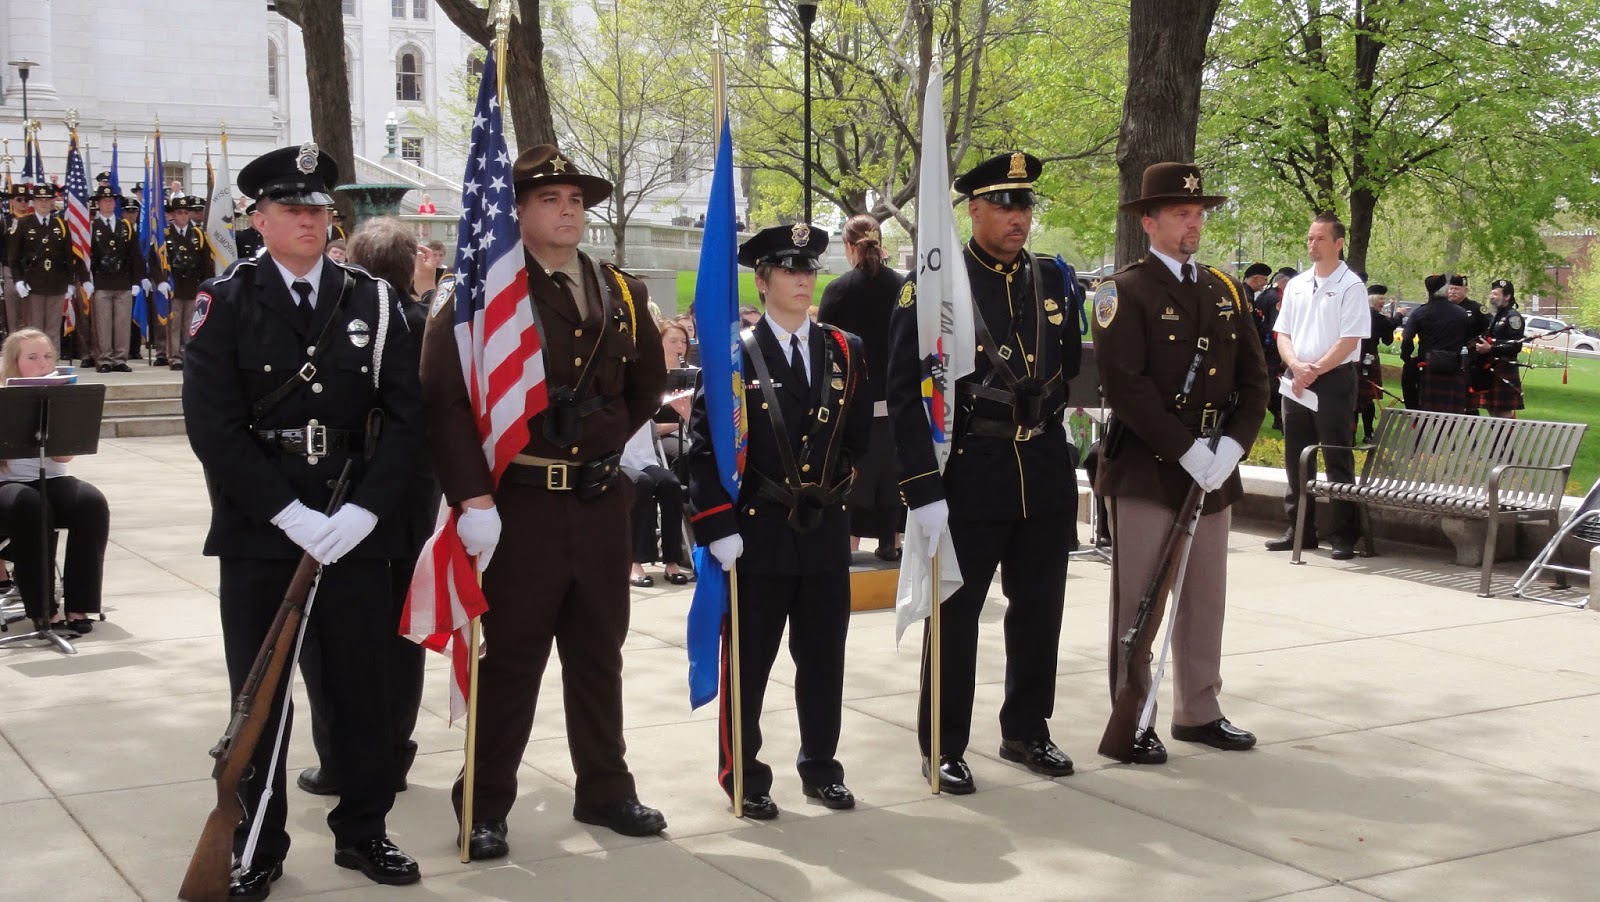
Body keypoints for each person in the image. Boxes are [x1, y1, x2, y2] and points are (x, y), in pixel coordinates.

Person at [182, 143, 424, 899]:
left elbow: (408, 417)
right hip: (262, 530)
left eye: (320, 210)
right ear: (258, 219)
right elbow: (212, 427)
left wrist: (363, 511)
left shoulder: (373, 302)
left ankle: (363, 830)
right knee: (261, 697)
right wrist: (286, 512)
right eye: (292, 209)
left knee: (362, 689)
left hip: (353, 526)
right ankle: (257, 842)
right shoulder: (224, 301)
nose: (310, 222)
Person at [421, 144, 667, 861]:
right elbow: (444, 398)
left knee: (599, 654)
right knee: (511, 662)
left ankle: (605, 787)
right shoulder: (482, 291)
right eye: (551, 200)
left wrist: (604, 434)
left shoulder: (622, 292)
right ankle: (486, 802)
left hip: (596, 504)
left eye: (576, 202)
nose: (568, 212)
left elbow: (646, 385)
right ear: (518, 211)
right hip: (519, 505)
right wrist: (471, 497)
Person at [887, 150, 1082, 793]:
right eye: (1004, 204)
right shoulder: (935, 284)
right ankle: (943, 743)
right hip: (971, 471)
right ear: (973, 209)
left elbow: (1068, 369)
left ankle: (1027, 728)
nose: (1017, 216)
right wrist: (921, 487)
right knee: (957, 616)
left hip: (1043, 468)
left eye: (1024, 204)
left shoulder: (1054, 279)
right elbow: (906, 390)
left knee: (1039, 610)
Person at [687, 223, 873, 818]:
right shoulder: (734, 355)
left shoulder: (846, 350)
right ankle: (743, 772)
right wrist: (719, 526)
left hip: (820, 531)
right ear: (762, 282)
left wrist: (832, 493)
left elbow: (859, 437)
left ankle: (821, 766)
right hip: (756, 533)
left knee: (824, 661)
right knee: (749, 667)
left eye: (808, 269)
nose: (801, 279)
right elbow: (702, 449)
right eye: (788, 270)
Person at [1091, 162, 1269, 764]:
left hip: (1214, 467)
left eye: (1198, 213)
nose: (1193, 223)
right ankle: (1133, 714)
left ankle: (1200, 709)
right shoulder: (1123, 291)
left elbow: (1255, 380)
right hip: (1149, 465)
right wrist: (1186, 448)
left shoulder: (1224, 289)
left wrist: (1231, 447)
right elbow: (1127, 385)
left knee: (1205, 596)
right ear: (1149, 222)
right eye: (1179, 213)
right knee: (1139, 600)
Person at [294, 217, 431, 802]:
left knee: (331, 643)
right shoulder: (429, 323)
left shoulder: (354, 323)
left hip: (359, 503)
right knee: (402, 641)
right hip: (414, 507)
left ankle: (341, 759)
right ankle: (393, 753)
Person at [1266, 213, 1368, 561]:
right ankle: (1300, 530)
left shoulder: (1351, 285)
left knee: (1337, 456)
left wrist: (1315, 370)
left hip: (1334, 379)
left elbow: (1349, 339)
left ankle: (1343, 534)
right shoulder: (1295, 284)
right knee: (1296, 458)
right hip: (1296, 381)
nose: (1312, 244)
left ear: (1338, 243)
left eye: (1320, 238)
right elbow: (1284, 334)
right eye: (1310, 238)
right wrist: (1295, 366)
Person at [0, 329, 111, 634]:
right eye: (32, 358)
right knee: (31, 506)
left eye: (47, 356)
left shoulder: (59, 394)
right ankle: (43, 609)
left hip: (50, 479)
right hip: (7, 487)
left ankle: (80, 604)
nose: (42, 364)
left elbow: (62, 460)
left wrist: (59, 426)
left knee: (91, 502)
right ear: (15, 363)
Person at [819, 214, 904, 561]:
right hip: (896, 402)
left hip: (851, 404)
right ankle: (892, 543)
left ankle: (847, 550)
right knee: (890, 482)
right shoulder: (902, 286)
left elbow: (824, 349)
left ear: (849, 247)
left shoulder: (838, 290)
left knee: (853, 482)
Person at [625, 320, 692, 587]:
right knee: (640, 485)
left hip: (643, 455)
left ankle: (672, 560)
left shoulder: (647, 378)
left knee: (670, 483)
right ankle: (635, 561)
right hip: (617, 456)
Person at [6, 183, 84, 350]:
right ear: (33, 202)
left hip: (56, 284)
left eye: (47, 200)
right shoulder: (23, 223)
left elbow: (68, 257)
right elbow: (14, 257)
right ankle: (35, 364)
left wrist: (70, 283)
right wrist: (18, 281)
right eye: (39, 200)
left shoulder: (61, 224)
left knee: (53, 329)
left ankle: (51, 365)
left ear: (52, 202)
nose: (43, 203)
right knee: (34, 330)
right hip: (33, 284)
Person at [87, 185, 147, 374]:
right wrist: (87, 279)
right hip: (102, 281)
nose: (108, 204)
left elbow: (134, 256)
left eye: (111, 200)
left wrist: (138, 280)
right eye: (105, 201)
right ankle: (104, 358)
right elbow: (89, 256)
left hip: (123, 281)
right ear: (98, 204)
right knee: (103, 323)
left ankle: (120, 358)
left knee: (122, 323)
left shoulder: (126, 226)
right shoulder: (91, 227)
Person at [1402, 274, 1471, 414]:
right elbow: (1467, 338)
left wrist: (1407, 357)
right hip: (1454, 365)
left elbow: (1407, 339)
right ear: (1445, 291)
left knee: (1408, 378)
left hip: (1427, 365)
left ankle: (1414, 413)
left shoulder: (1420, 313)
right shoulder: (1461, 313)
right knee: (1452, 410)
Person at [164, 194, 215, 371]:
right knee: (174, 322)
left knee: (190, 323)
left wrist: (208, 284)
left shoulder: (198, 234)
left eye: (186, 212)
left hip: (193, 285)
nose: (184, 216)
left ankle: (188, 354)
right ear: (173, 214)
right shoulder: (166, 234)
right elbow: (159, 259)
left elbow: (205, 261)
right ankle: (174, 356)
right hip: (174, 285)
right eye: (180, 212)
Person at [1476, 279, 1526, 418]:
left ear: (1507, 296)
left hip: (1505, 368)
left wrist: (1490, 349)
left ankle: (1507, 439)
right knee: (1492, 410)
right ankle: (1499, 439)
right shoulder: (1498, 316)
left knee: (1503, 412)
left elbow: (1516, 345)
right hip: (1492, 368)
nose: (1492, 296)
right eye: (1491, 293)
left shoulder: (1513, 317)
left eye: (1496, 294)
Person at [1356, 283, 1396, 441]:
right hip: (1361, 359)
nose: (1383, 301)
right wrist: (1397, 317)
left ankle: (1365, 433)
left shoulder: (1371, 315)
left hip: (1365, 359)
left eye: (1384, 299)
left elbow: (1386, 340)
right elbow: (1388, 332)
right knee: (1363, 399)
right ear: (1372, 300)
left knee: (1366, 398)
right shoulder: (1374, 316)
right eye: (1381, 298)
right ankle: (1365, 433)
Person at [1449, 275, 1490, 413]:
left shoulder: (1477, 309)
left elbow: (1489, 329)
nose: (1452, 292)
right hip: (1448, 359)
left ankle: (1473, 431)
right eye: (1451, 288)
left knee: (1470, 402)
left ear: (1465, 290)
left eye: (1457, 289)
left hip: (1470, 361)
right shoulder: (1445, 308)